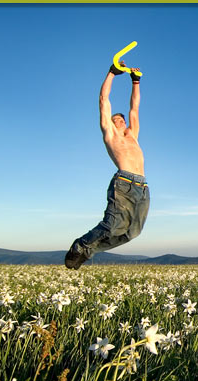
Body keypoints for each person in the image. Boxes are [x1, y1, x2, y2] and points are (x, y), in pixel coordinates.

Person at [65, 61, 149, 269]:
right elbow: (104, 100)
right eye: (116, 118)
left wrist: (135, 80)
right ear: (110, 123)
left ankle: (89, 251)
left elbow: (134, 107)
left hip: (143, 187)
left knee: (132, 233)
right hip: (124, 183)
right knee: (112, 226)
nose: (120, 120)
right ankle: (81, 246)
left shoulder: (133, 135)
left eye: (122, 118)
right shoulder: (110, 134)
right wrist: (112, 73)